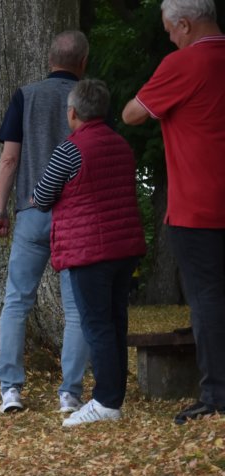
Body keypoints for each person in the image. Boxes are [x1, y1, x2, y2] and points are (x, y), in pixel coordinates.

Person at [122, 0, 225, 425]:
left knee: (208, 299)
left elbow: (132, 114)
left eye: (169, 31)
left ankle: (217, 395)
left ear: (184, 24)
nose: (169, 39)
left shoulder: (183, 64)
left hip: (199, 204)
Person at [30, 79, 148, 427]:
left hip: (89, 250)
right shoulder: (121, 145)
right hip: (124, 246)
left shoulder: (70, 150)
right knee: (116, 321)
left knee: (97, 325)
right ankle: (113, 395)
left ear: (73, 113)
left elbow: (43, 195)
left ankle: (106, 402)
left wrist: (34, 197)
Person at [0, 30, 92, 415]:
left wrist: (0, 211)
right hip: (75, 216)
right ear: (83, 62)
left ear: (49, 59)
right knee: (76, 309)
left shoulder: (26, 96)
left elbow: (9, 159)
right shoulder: (88, 98)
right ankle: (69, 394)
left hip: (31, 212)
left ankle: (11, 390)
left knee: (17, 301)